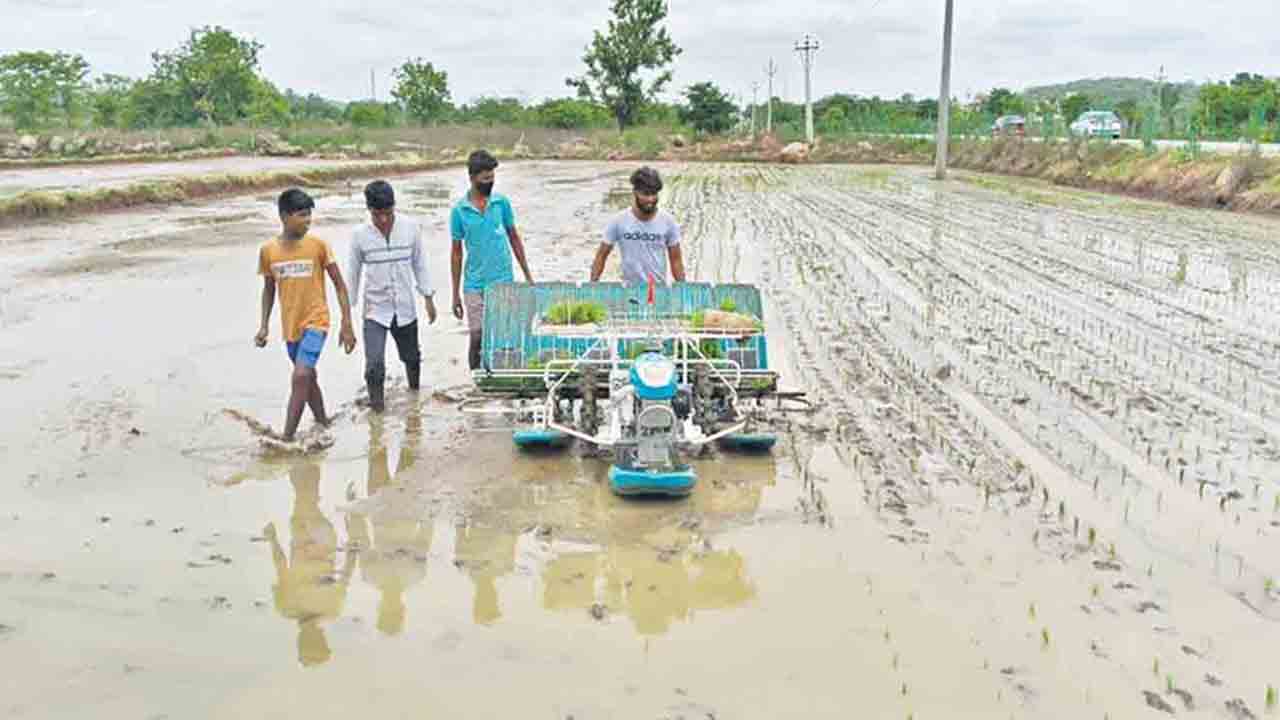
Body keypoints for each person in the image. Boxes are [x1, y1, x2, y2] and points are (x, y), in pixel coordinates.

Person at [255, 188, 356, 441]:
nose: (308, 221)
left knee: (300, 375)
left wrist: (346, 323)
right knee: (307, 380)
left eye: (310, 215)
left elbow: (340, 286)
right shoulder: (268, 251)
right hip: (291, 327)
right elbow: (268, 290)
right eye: (302, 216)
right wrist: (264, 326)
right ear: (284, 216)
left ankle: (286, 437)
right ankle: (323, 422)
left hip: (317, 321)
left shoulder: (318, 246)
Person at [346, 180, 437, 413]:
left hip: (404, 307)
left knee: (412, 357)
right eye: (378, 215)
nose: (384, 220)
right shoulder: (359, 235)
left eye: (388, 213)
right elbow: (353, 275)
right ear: (369, 211)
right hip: (375, 310)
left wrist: (428, 297)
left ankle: (414, 403)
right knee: (374, 366)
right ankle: (377, 416)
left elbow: (420, 264)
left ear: (394, 207)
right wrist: (347, 319)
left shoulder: (410, 228)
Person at [449, 150, 534, 370]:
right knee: (477, 335)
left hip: (503, 281)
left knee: (505, 335)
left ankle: (501, 378)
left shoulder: (501, 203)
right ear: (472, 177)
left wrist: (527, 275)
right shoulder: (459, 211)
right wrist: (455, 294)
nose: (490, 182)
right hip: (474, 284)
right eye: (485, 178)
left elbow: (514, 237)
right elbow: (456, 253)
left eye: (492, 177)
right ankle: (477, 379)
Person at [590, 166, 686, 285]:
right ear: (635, 192)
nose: (650, 199)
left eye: (654, 194)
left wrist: (683, 288)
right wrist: (592, 285)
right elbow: (601, 255)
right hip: (628, 289)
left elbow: (676, 260)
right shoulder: (619, 221)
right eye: (645, 194)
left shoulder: (668, 222)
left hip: (657, 289)